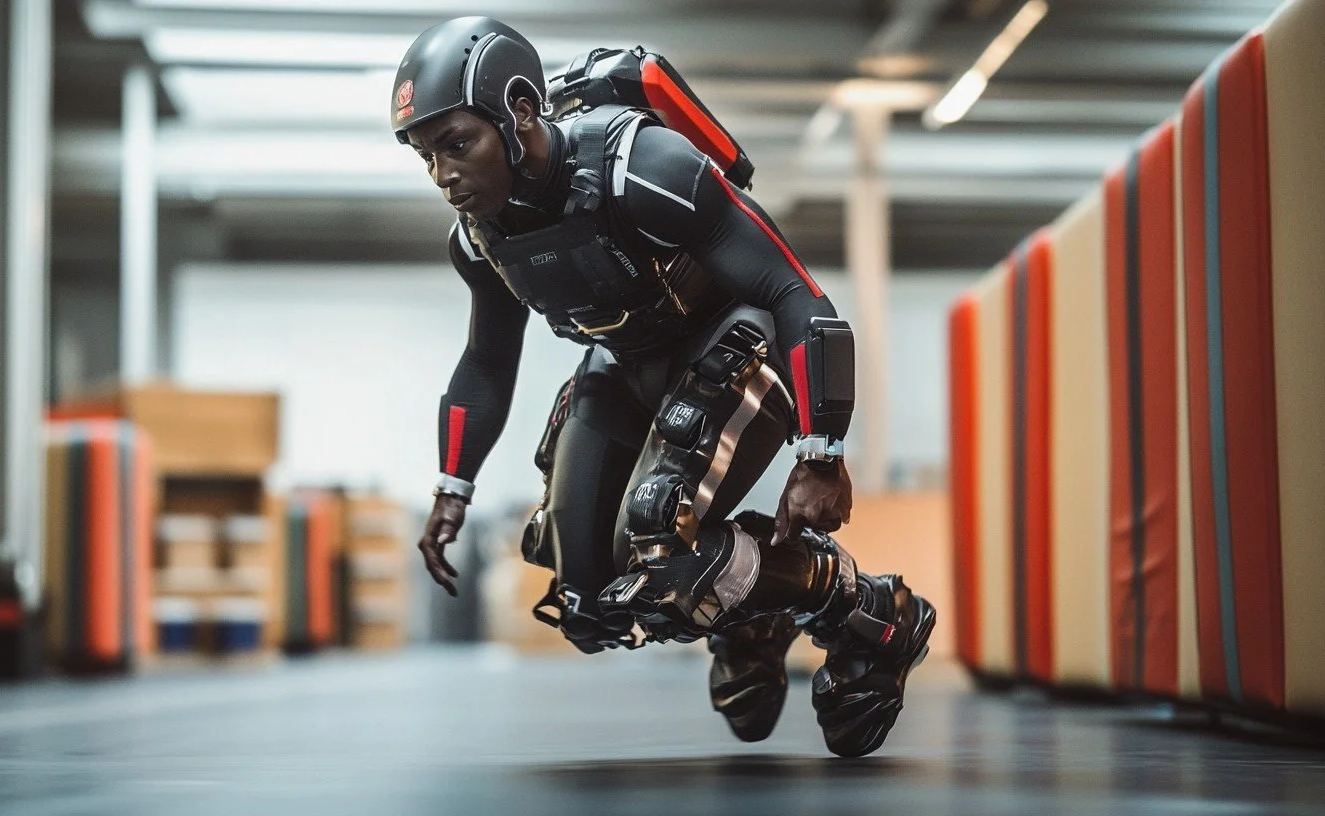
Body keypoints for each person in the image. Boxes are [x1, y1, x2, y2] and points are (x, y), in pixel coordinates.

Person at [393, 16, 934, 757]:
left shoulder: (642, 167)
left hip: (744, 348)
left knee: (663, 563)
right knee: (587, 603)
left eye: (458, 144)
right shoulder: (481, 239)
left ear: (519, 114)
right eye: (427, 157)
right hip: (626, 365)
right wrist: (452, 489)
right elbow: (486, 362)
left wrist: (820, 452)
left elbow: (794, 291)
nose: (444, 174)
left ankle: (872, 613)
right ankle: (755, 616)